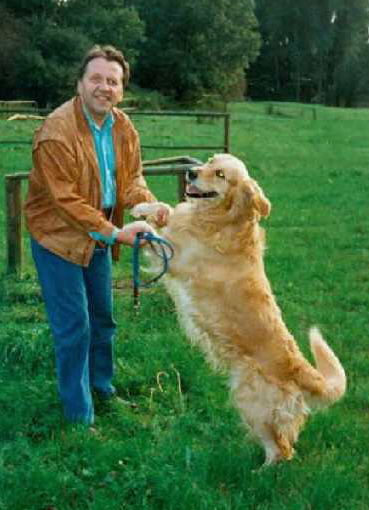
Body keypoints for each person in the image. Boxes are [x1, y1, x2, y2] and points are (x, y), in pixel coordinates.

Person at [24, 44, 169, 426]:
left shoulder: (123, 126)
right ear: (80, 84)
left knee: (102, 320)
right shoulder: (56, 133)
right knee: (75, 327)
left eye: (113, 81)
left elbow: (132, 179)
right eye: (97, 79)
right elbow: (66, 203)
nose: (105, 87)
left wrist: (147, 207)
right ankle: (79, 416)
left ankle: (102, 389)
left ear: (121, 89)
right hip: (58, 237)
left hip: (101, 232)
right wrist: (117, 234)